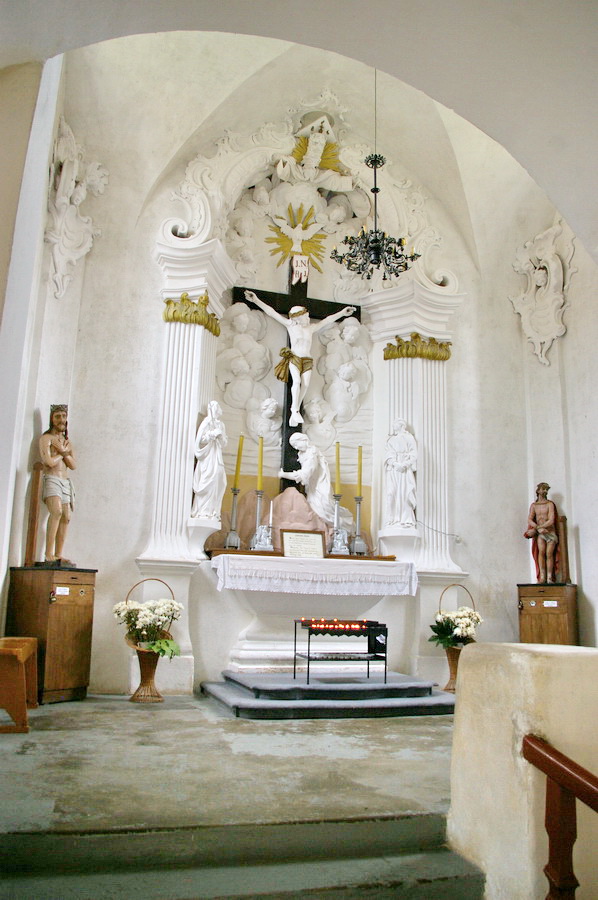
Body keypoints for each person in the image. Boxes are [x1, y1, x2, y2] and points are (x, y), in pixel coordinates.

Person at [244, 289, 355, 426]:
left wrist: (342, 313)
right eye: (306, 316)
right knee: (296, 382)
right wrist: (256, 300)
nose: (308, 318)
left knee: (306, 384)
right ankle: (294, 410)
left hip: (307, 360)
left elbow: (327, 320)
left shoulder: (311, 328)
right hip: (295, 358)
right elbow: (271, 312)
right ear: (298, 317)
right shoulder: (291, 326)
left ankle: (295, 408)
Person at [279, 432, 352, 530]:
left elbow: (305, 474)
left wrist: (284, 475)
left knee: (324, 508)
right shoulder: (303, 454)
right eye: (294, 446)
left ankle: (344, 526)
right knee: (314, 509)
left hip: (320, 486)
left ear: (303, 440)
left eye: (296, 444)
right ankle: (325, 530)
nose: (296, 447)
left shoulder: (312, 452)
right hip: (312, 487)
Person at [39, 404, 76, 565]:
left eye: (63, 416)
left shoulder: (66, 442)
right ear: (52, 419)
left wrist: (63, 452)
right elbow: (48, 462)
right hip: (52, 478)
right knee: (56, 511)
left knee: (66, 516)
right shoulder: (46, 439)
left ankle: (58, 554)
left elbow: (73, 465)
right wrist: (63, 453)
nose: (61, 419)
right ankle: (49, 554)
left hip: (65, 481)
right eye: (57, 416)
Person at [191, 401, 228, 519]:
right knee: (208, 480)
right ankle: (203, 511)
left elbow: (224, 443)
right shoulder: (207, 422)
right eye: (217, 408)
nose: (219, 410)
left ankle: (214, 511)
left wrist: (220, 436)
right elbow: (200, 441)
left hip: (217, 457)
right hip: (208, 457)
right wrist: (212, 434)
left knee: (220, 482)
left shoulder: (221, 425)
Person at [384, 418, 417, 528]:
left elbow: (414, 454)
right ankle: (392, 519)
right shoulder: (391, 440)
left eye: (395, 424)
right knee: (391, 493)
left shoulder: (409, 438)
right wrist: (395, 464)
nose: (393, 426)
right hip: (393, 470)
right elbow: (388, 454)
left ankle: (406, 519)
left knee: (405, 493)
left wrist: (405, 464)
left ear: (401, 425)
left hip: (405, 470)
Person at [524, 482, 559, 583]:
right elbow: (530, 519)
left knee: (549, 553)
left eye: (546, 489)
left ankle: (549, 577)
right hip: (541, 533)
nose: (545, 491)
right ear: (538, 490)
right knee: (541, 553)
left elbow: (551, 520)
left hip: (550, 532)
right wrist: (538, 529)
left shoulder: (550, 504)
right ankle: (542, 577)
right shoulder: (534, 505)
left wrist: (540, 527)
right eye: (543, 489)